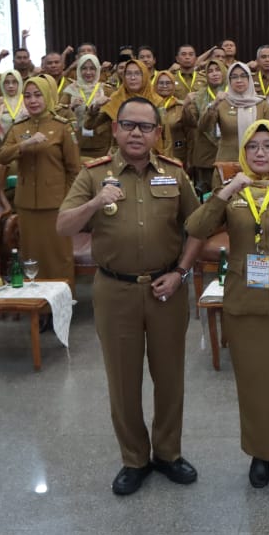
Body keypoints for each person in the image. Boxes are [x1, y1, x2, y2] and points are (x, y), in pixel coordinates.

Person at [56, 97, 203, 496]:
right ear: (116, 130)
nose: (136, 133)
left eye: (145, 127)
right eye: (128, 125)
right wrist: (95, 201)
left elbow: (199, 227)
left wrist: (180, 273)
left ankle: (168, 454)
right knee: (123, 381)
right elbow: (63, 226)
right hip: (114, 290)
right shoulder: (93, 175)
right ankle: (134, 459)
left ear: (158, 134)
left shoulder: (174, 174)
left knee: (170, 378)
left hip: (166, 290)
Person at [184, 121, 269, 489]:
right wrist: (227, 189)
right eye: (252, 147)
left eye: (268, 146)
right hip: (245, 303)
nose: (260, 153)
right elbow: (196, 229)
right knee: (254, 384)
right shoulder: (232, 192)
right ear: (243, 153)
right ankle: (260, 454)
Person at [0, 75, 80, 295]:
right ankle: (38, 305)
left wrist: (69, 202)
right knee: (31, 256)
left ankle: (62, 301)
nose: (33, 101)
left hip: (56, 204)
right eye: (28, 96)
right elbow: (2, 157)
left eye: (38, 95)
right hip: (26, 204)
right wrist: (24, 145)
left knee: (58, 255)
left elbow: (74, 169)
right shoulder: (18, 127)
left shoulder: (62, 127)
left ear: (48, 96)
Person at [199, 62, 269, 177]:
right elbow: (204, 127)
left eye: (243, 76)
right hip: (228, 161)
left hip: (257, 162)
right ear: (229, 80)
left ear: (249, 79)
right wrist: (214, 104)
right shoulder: (222, 103)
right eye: (234, 77)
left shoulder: (261, 104)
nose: (239, 80)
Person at [183, 58, 227, 191]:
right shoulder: (199, 95)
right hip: (205, 152)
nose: (214, 74)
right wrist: (186, 105)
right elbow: (191, 123)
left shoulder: (233, 93)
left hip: (228, 151)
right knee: (206, 194)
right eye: (210, 71)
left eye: (218, 70)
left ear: (224, 72)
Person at [62, 54, 112, 161]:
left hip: (101, 144)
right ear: (79, 70)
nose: (88, 72)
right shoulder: (70, 90)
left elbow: (113, 117)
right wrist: (71, 107)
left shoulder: (107, 90)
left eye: (92, 68)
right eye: (84, 68)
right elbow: (59, 115)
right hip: (77, 143)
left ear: (98, 70)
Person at [153, 70, 191, 164]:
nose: (164, 86)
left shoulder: (181, 106)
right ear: (155, 85)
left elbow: (190, 135)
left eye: (168, 83)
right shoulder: (149, 106)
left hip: (177, 155)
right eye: (161, 83)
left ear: (173, 85)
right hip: (154, 155)